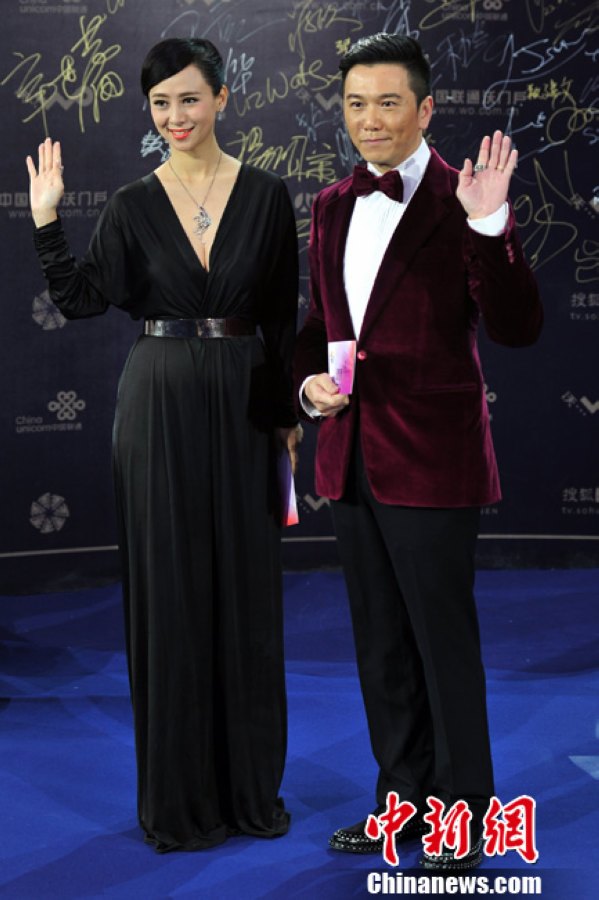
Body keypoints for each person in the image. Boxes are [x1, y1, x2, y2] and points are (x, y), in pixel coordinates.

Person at [27, 37, 300, 853]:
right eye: (160, 104)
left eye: (189, 99)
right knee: (169, 591)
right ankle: (179, 801)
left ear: (222, 98)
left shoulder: (267, 195)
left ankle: (248, 792)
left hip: (246, 400)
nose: (175, 117)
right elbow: (81, 299)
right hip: (159, 401)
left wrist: (285, 421)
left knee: (247, 593)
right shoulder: (130, 204)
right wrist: (46, 220)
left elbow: (280, 318)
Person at [293, 33, 542, 870]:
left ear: (425, 108)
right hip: (349, 458)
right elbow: (318, 329)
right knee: (380, 649)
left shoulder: (460, 198)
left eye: (388, 103)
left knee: (441, 648)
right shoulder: (330, 204)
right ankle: (399, 805)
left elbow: (516, 326)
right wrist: (307, 389)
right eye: (355, 104)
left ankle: (461, 818)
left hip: (433, 461)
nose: (369, 120)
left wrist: (490, 223)